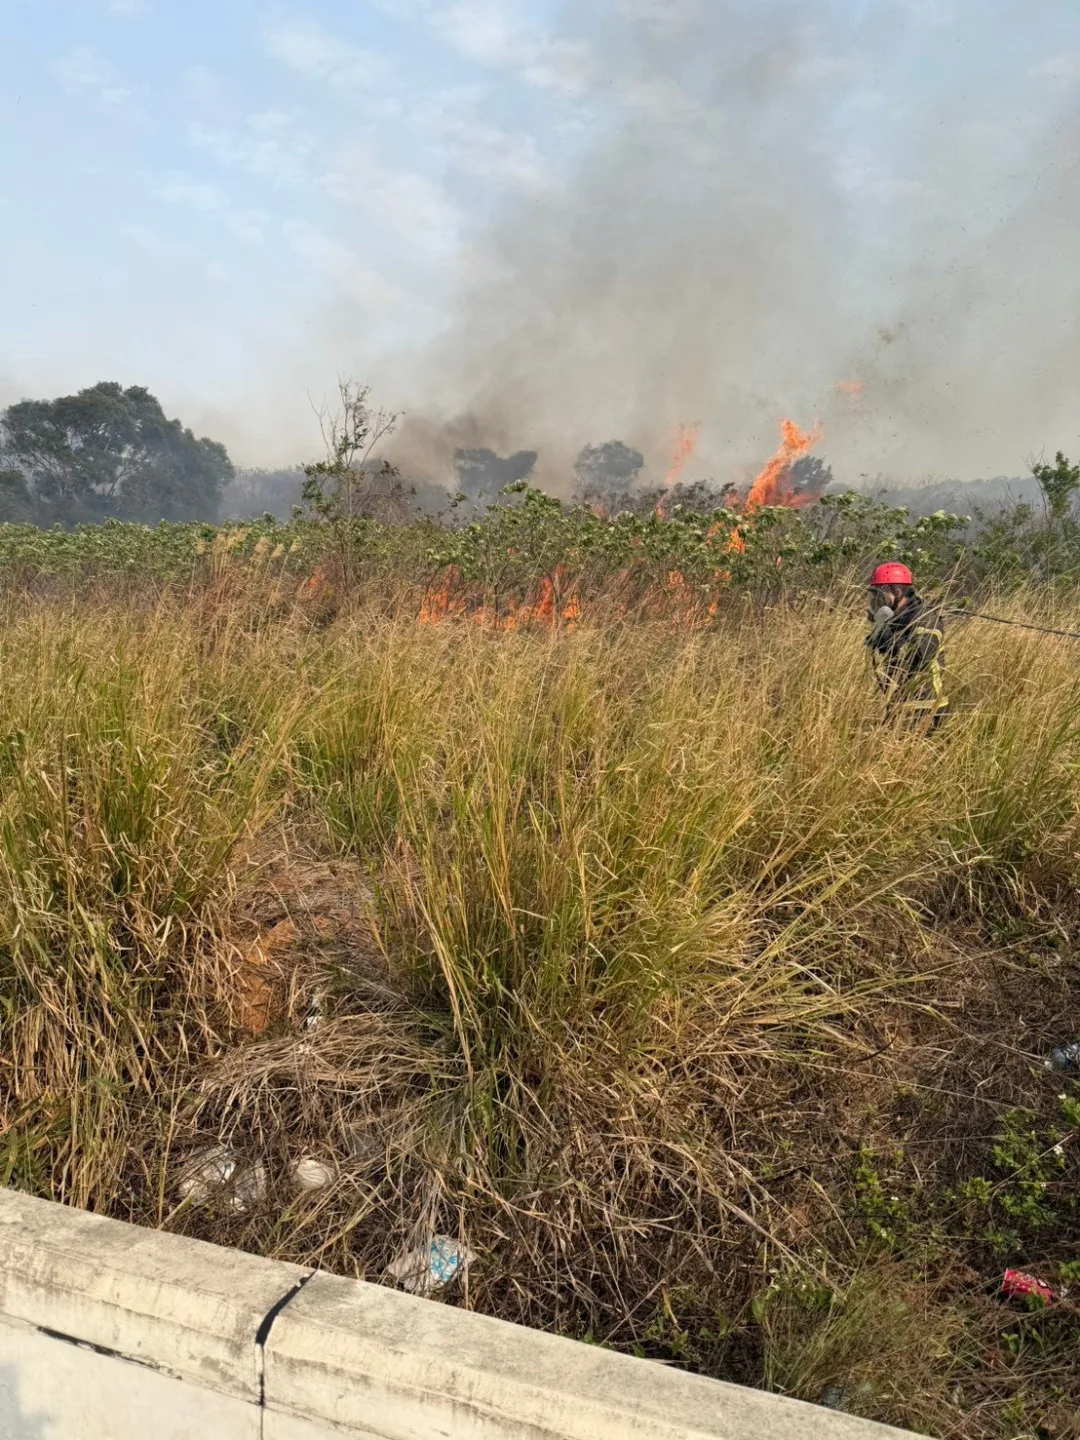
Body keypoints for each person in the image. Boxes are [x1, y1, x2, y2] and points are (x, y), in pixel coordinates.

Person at [864, 562, 949, 729]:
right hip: (901, 705)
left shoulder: (926, 619)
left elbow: (920, 658)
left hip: (926, 708)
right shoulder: (895, 620)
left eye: (878, 594)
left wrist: (885, 635)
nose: (875, 601)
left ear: (897, 592)